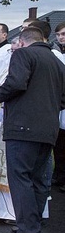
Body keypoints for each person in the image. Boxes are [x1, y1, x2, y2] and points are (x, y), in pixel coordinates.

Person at [0, 27, 65, 233]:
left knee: (20, 178)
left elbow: (16, 83)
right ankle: (32, 225)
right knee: (39, 180)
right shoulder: (56, 61)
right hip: (48, 129)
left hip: (23, 127)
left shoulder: (23, 55)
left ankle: (27, 231)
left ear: (21, 42)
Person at [53, 22, 65, 192]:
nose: (61, 38)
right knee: (59, 141)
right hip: (59, 102)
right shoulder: (56, 53)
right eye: (59, 35)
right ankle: (59, 174)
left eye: (64, 34)